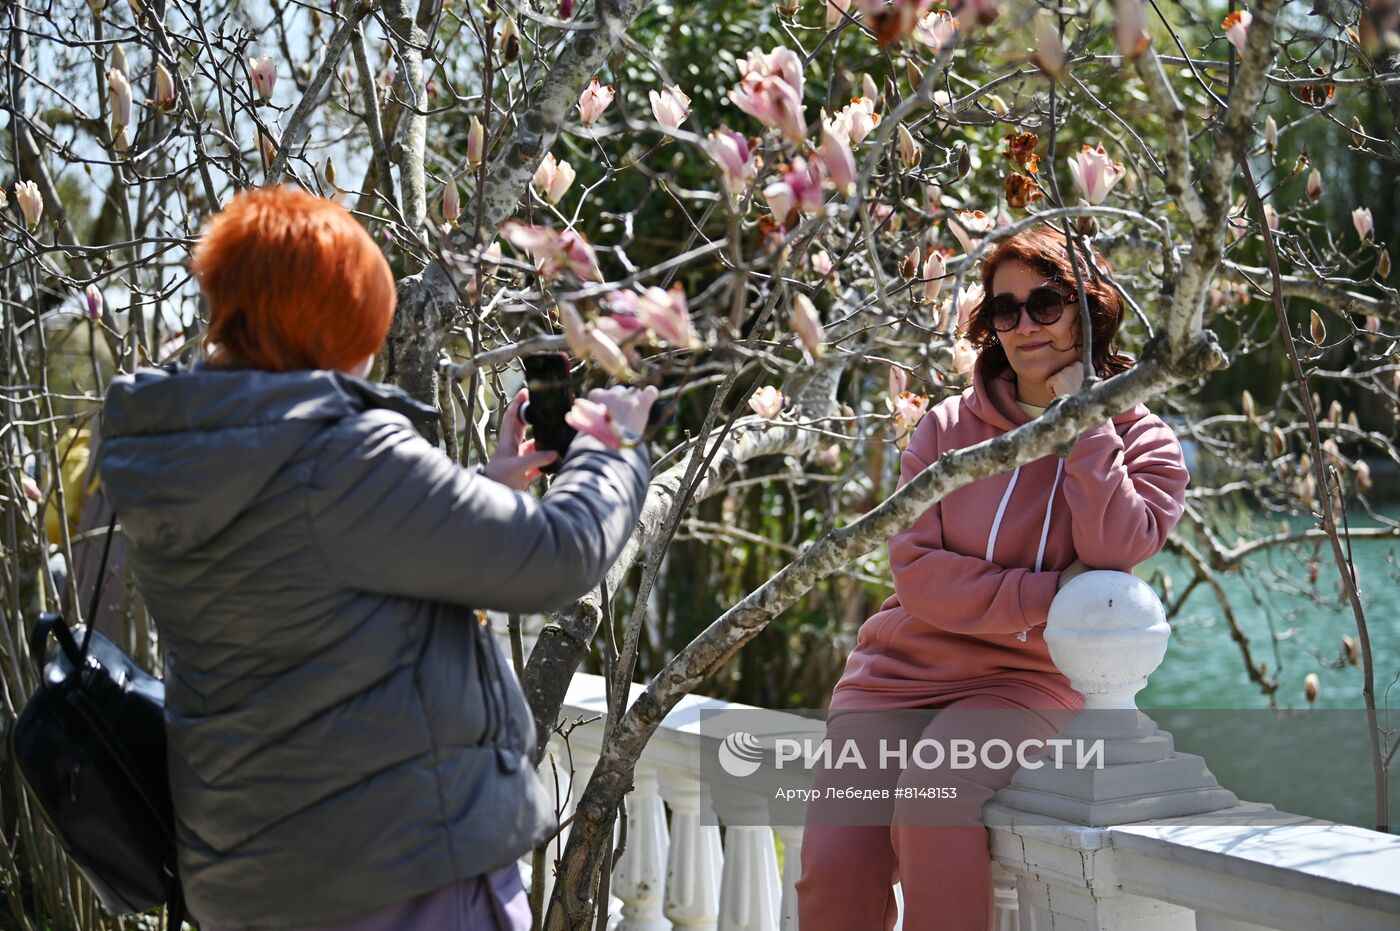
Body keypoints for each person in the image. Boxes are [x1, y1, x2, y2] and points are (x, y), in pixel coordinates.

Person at [96, 186, 657, 931]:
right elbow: (560, 556)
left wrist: (479, 494)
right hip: (400, 870)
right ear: (327, 322)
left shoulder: (184, 453)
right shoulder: (336, 453)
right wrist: (611, 449)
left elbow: (312, 584)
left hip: (253, 871)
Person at [795, 226, 1189, 930]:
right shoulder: (946, 427)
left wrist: (1085, 421)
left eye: (1047, 302)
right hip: (896, 676)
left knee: (934, 795)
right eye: (1006, 310)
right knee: (831, 876)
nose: (1025, 324)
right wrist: (1047, 594)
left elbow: (1113, 548)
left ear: (1089, 309)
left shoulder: (1144, 442)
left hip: (1024, 680)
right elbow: (918, 576)